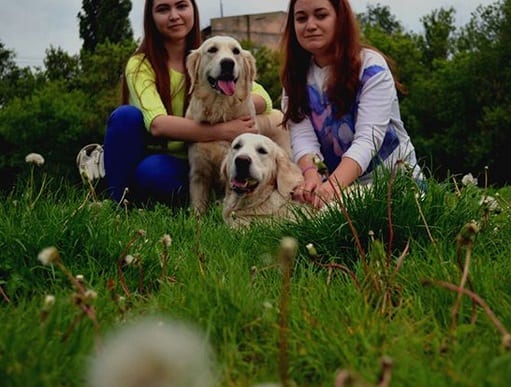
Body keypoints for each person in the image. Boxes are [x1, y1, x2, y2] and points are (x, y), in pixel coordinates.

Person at [103, 0, 273, 206]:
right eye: (163, 9)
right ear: (151, 18)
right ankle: (117, 202)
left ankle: (211, 201)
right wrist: (223, 130)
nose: (174, 15)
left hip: (201, 163)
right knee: (126, 119)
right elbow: (157, 124)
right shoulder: (140, 65)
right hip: (160, 159)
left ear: (193, 10)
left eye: (181, 6)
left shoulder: (212, 54)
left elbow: (263, 98)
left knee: (157, 174)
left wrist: (234, 104)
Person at [280, 0, 422, 209]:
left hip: (398, 184)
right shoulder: (294, 77)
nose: (310, 25)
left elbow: (368, 138)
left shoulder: (371, 67)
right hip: (339, 190)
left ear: (340, 18)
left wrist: (331, 187)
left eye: (321, 15)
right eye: (301, 18)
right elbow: (303, 137)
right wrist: (312, 176)